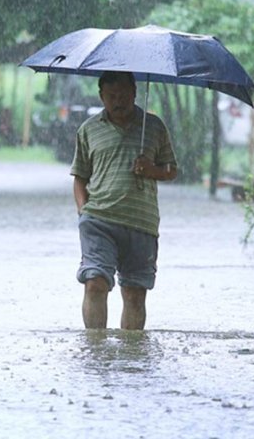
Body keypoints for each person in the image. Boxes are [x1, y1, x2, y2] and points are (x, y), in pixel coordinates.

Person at [70, 71, 178, 330]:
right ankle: (96, 352)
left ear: (135, 92)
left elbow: (171, 170)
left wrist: (151, 170)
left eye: (123, 96)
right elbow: (79, 177)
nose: (118, 102)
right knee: (95, 283)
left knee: (134, 294)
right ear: (101, 96)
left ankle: (131, 359)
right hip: (98, 220)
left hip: (141, 222)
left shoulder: (153, 127)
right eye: (111, 96)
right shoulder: (88, 129)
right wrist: (83, 213)